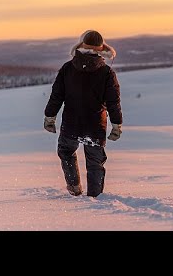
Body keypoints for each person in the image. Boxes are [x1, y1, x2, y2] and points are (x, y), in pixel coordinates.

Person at [43, 30, 123, 197]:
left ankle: (74, 187)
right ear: (101, 50)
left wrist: (50, 117)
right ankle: (95, 197)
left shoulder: (67, 68)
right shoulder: (107, 73)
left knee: (66, 151)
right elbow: (113, 102)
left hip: (71, 124)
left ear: (80, 46)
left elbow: (56, 96)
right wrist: (116, 126)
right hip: (96, 126)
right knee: (95, 162)